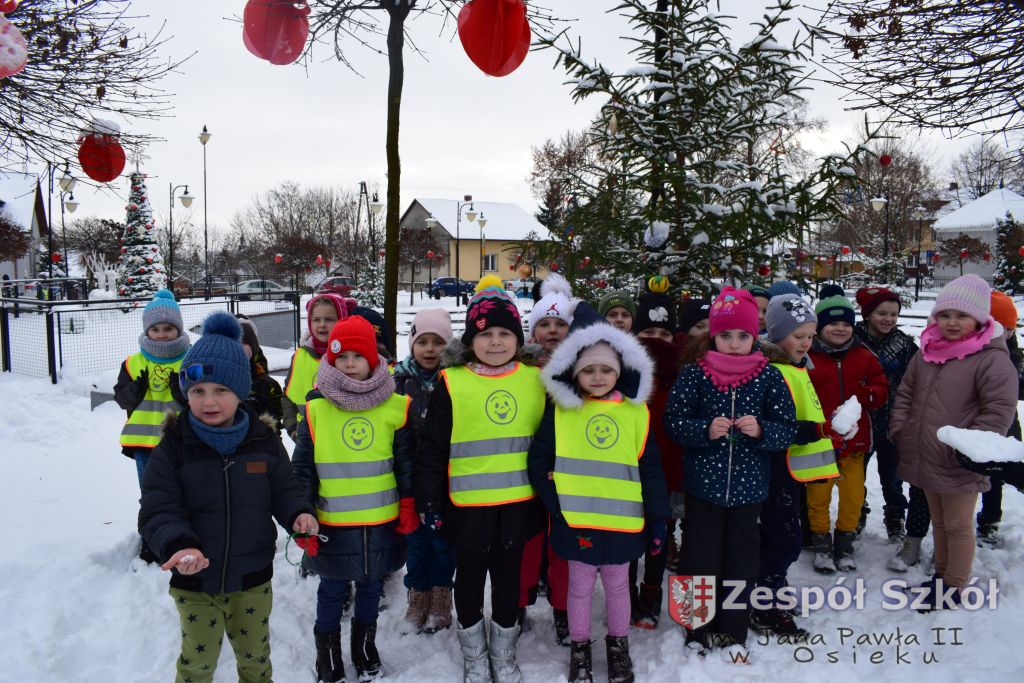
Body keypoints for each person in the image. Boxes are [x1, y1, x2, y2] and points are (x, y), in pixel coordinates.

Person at [139, 311, 316, 683]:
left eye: (221, 390)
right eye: (198, 391)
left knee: (256, 660)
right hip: (194, 580)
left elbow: (284, 488)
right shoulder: (175, 445)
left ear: (240, 390)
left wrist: (298, 513)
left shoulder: (262, 440)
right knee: (197, 664)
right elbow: (158, 506)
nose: (209, 401)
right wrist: (179, 544)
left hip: (252, 578)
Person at [528, 302, 669, 683]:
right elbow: (539, 460)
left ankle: (618, 646)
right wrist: (555, 503)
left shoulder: (636, 413)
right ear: (574, 371)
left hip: (623, 522)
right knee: (579, 588)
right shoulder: (562, 411)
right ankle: (580, 648)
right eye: (588, 370)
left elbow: (650, 469)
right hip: (576, 520)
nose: (597, 376)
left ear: (620, 370)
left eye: (606, 369)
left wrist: (658, 518)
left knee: (619, 587)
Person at [416, 276, 546, 683]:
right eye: (485, 334)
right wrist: (430, 501)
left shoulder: (534, 380)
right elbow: (433, 448)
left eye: (505, 333)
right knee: (469, 581)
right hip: (467, 507)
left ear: (518, 338)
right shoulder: (452, 382)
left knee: (508, 582)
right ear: (470, 340)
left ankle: (504, 656)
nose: (495, 342)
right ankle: (475, 656)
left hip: (518, 506)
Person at [664, 287, 797, 662]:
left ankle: (733, 628)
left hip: (749, 490)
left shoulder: (769, 377)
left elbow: (787, 428)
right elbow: (673, 421)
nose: (734, 343)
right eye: (725, 335)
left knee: (742, 560)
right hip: (703, 488)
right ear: (713, 336)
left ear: (754, 336)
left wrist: (762, 431)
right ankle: (694, 625)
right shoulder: (695, 375)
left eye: (742, 335)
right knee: (698, 557)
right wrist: (703, 430)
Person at [292, 315, 417, 682]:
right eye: (341, 356)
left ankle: (364, 647)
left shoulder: (396, 407)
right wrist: (300, 514)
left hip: (381, 523)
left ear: (373, 358)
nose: (349, 363)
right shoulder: (316, 410)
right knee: (332, 591)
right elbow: (303, 469)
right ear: (330, 360)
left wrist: (408, 504)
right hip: (332, 526)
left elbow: (405, 463)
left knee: (371, 588)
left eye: (357, 356)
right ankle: (327, 654)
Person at [890, 275, 1018, 610]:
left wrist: (969, 450)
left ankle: (954, 586)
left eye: (962, 315)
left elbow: (998, 411)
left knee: (958, 526)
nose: (952, 322)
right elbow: (906, 393)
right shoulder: (928, 352)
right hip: (926, 454)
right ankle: (941, 577)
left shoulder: (991, 358)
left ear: (979, 318)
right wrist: (901, 429)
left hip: (959, 461)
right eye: (945, 315)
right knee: (940, 522)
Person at [753, 294, 839, 636]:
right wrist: (819, 430)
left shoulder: (797, 366)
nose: (806, 343)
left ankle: (772, 590)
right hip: (776, 470)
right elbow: (776, 427)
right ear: (777, 335)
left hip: (790, 471)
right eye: (798, 336)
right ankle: (765, 603)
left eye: (810, 336)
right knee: (784, 540)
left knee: (780, 537)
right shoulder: (775, 371)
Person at [806, 293, 888, 573]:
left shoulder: (864, 356)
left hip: (855, 443)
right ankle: (821, 543)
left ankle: (844, 543)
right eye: (833, 324)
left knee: (853, 497)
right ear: (819, 327)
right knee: (818, 497)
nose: (840, 329)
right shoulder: (808, 357)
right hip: (819, 442)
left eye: (846, 324)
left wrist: (870, 394)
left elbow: (881, 386)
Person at [113, 289, 190, 563]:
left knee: (185, 491)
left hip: (182, 441)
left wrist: (183, 393)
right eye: (155, 329)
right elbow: (121, 398)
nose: (162, 335)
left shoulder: (190, 358)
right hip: (144, 444)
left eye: (168, 328)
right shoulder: (133, 363)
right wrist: (133, 391)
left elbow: (203, 397)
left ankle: (184, 538)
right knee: (151, 495)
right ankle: (151, 542)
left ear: (178, 328)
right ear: (147, 330)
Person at [521, 273, 577, 644]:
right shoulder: (522, 369)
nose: (553, 330)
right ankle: (518, 602)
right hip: (524, 465)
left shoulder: (582, 366)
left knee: (562, 544)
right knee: (526, 541)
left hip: (566, 466)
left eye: (560, 323)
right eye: (545, 324)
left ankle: (563, 608)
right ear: (533, 331)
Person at [394, 308, 457, 635]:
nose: (430, 349)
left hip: (445, 479)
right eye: (423, 341)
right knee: (417, 543)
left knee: (443, 543)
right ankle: (418, 596)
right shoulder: (398, 381)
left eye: (438, 342)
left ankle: (441, 597)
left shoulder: (456, 379)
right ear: (412, 345)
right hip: (410, 477)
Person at [850, 287, 919, 544]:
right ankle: (857, 511)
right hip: (860, 421)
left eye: (893, 314)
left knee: (892, 477)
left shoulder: (904, 344)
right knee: (856, 474)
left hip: (892, 421)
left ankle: (895, 515)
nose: (888, 319)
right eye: (882, 313)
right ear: (868, 314)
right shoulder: (853, 340)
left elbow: (917, 378)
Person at [628, 288, 679, 627]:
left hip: (668, 470)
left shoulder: (680, 374)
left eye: (664, 332)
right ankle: (627, 593)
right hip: (629, 472)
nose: (656, 339)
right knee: (630, 536)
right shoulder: (625, 373)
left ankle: (651, 589)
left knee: (660, 535)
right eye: (648, 332)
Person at [974, 290, 1023, 547]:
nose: (1003, 333)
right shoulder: (972, 352)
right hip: (974, 421)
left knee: (996, 475)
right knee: (970, 472)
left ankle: (989, 519)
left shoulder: (1013, 356)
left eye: (1008, 328)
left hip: (1006, 424)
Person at [282, 293, 356, 440]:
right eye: (316, 319)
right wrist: (293, 428)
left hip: (344, 438)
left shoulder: (351, 357)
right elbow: (288, 396)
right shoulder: (300, 356)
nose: (322, 324)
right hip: (306, 437)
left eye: (329, 319)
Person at [235, 314, 285, 432]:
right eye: (236, 342)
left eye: (244, 342)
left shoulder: (268, 385)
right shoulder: (221, 382)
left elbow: (275, 423)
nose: (240, 347)